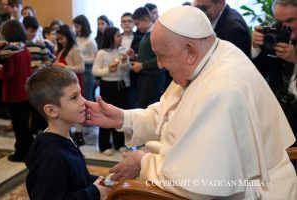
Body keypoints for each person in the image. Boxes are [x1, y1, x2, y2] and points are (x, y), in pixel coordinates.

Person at [84, 6, 297, 199]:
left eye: (162, 56)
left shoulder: (223, 90)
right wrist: (123, 117)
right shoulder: (209, 57)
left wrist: (142, 162)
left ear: (190, 51)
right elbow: (173, 111)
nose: (158, 65)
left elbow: (198, 184)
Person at [25, 67, 110, 199]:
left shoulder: (64, 138)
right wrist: (94, 192)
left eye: (80, 93)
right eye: (74, 97)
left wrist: (94, 181)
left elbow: (73, 178)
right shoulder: (51, 156)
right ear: (51, 111)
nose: (83, 101)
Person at [252, 0, 297, 148]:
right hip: (277, 116)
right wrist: (256, 47)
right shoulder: (276, 36)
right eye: (278, 21)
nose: (285, 27)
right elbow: (256, 76)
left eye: (290, 20)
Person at [0, 20, 33, 162]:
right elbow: (28, 71)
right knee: (24, 125)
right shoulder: (24, 49)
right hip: (25, 93)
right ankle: (30, 150)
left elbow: (8, 74)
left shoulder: (10, 53)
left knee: (19, 127)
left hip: (14, 94)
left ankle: (21, 153)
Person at [92, 27, 130, 155]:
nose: (120, 38)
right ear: (110, 38)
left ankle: (120, 143)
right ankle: (104, 145)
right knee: (105, 114)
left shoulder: (121, 50)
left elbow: (126, 70)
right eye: (118, 35)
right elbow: (95, 71)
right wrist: (108, 70)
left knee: (120, 114)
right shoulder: (102, 53)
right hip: (107, 85)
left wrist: (125, 62)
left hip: (120, 85)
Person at [128, 7, 166, 109]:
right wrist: (135, 57)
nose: (136, 27)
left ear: (145, 20)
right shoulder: (146, 34)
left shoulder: (156, 34)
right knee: (142, 107)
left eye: (137, 24)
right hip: (145, 77)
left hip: (153, 79)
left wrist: (142, 65)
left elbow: (163, 58)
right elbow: (147, 56)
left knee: (146, 109)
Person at [73, 14, 97, 101]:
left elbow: (94, 59)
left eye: (77, 26)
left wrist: (81, 60)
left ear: (83, 26)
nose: (75, 29)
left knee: (87, 96)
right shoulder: (77, 38)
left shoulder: (90, 41)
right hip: (78, 70)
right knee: (80, 95)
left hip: (88, 71)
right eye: (74, 26)